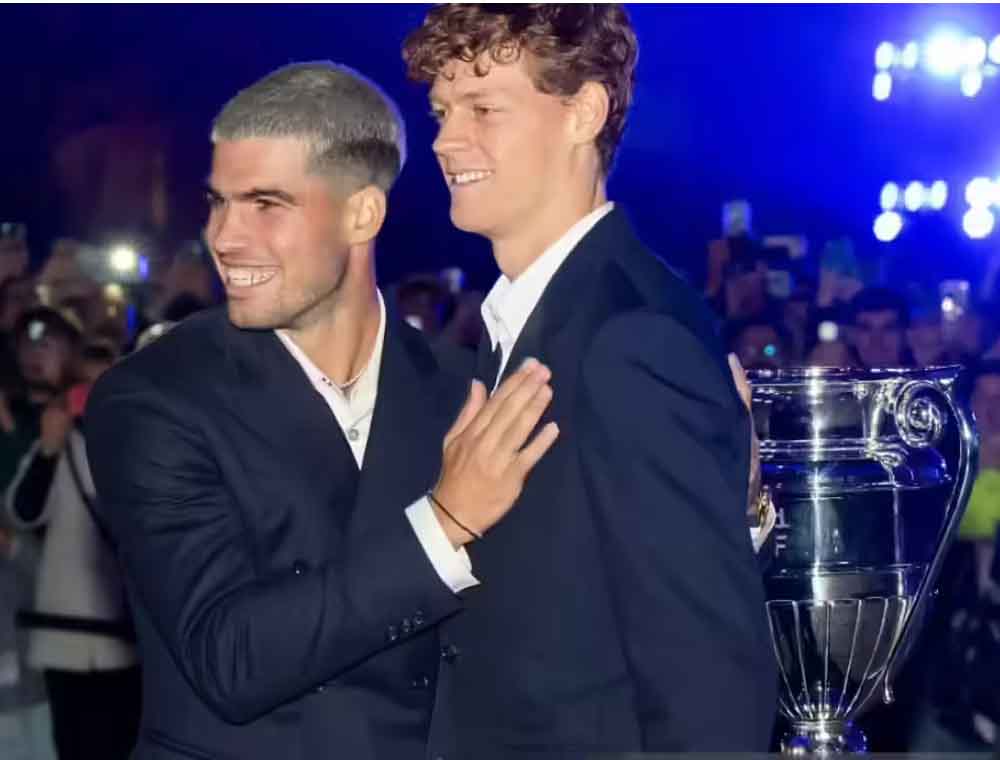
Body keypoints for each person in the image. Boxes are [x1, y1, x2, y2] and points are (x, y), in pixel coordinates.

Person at [85, 62, 557, 760]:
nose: (224, 237)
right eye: (218, 202)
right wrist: (443, 523)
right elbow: (230, 657)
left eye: (264, 205)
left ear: (362, 213)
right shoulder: (153, 397)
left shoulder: (464, 392)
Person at [403, 5, 777, 755]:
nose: (445, 139)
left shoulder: (629, 338)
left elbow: (710, 688)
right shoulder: (532, 321)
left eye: (483, 108)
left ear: (584, 113)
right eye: (443, 112)